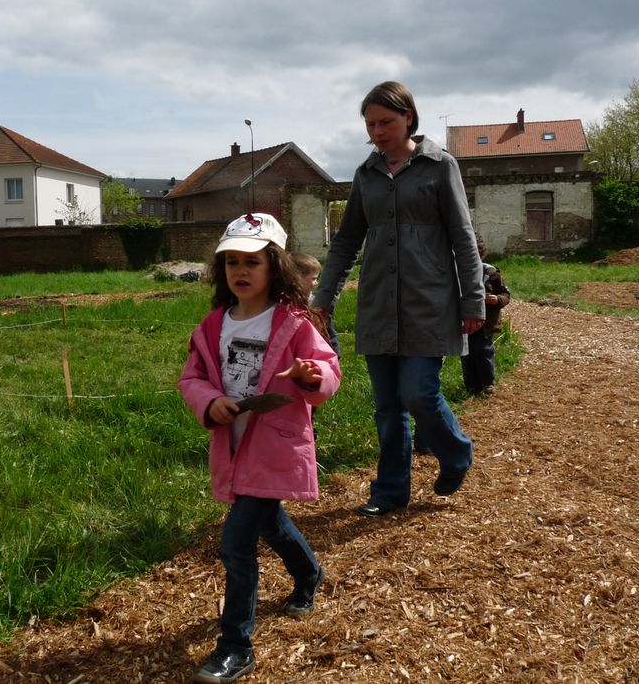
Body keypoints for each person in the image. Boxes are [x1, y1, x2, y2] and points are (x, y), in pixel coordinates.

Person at [179, 213, 341, 683]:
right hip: (232, 443)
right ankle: (309, 574)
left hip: (274, 444)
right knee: (270, 522)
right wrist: (211, 402)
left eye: (252, 261)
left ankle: (236, 647)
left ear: (275, 266)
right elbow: (192, 378)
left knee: (236, 545)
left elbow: (327, 368)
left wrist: (312, 374)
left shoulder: (294, 322)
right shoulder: (213, 325)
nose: (240, 271)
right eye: (231, 262)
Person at [311, 81, 485, 517]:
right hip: (378, 306)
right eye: (370, 124)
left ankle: (457, 451)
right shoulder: (365, 174)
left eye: (386, 122)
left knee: (419, 394)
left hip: (430, 304)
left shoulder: (439, 166)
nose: (377, 131)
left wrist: (473, 300)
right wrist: (322, 298)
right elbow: (347, 241)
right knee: (388, 408)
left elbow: (463, 237)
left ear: (409, 116)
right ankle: (389, 491)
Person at [460, 233, 511, 396]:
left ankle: (487, 383)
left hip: (485, 323)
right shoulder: (458, 273)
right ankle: (471, 386)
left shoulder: (491, 273)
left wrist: (496, 299)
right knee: (466, 354)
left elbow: (506, 295)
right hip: (465, 322)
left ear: (482, 255)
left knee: (483, 351)